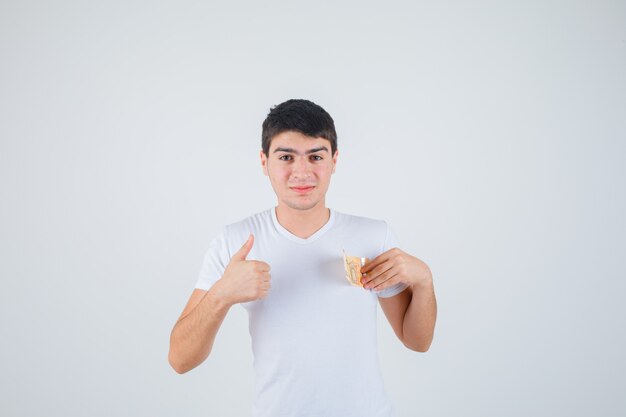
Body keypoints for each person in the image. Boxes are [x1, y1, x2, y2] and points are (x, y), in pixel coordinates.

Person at [168, 99, 437, 417]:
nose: (302, 172)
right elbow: (180, 360)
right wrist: (221, 295)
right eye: (286, 157)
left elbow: (417, 341)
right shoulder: (235, 241)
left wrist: (424, 280)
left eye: (316, 156)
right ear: (264, 161)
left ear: (334, 160)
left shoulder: (373, 236)